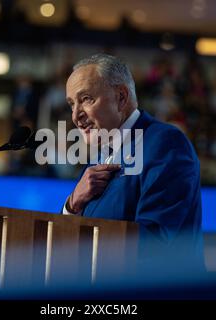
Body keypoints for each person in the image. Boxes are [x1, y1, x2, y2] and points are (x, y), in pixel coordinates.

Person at [62, 53, 205, 274]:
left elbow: (154, 239)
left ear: (121, 97)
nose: (75, 115)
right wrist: (73, 205)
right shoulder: (100, 154)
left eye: (86, 99)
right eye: (72, 104)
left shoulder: (165, 143)